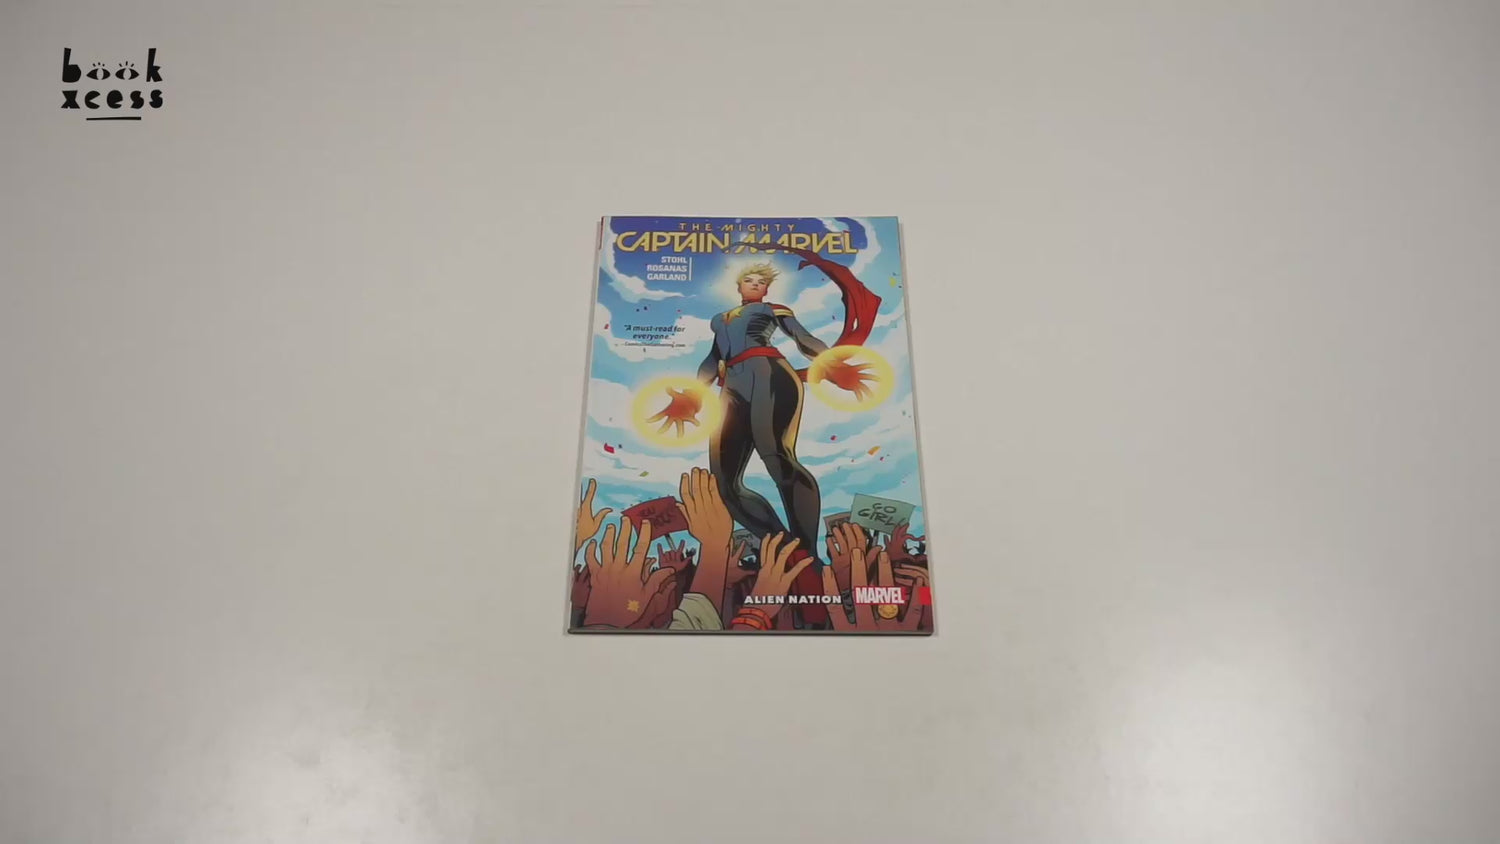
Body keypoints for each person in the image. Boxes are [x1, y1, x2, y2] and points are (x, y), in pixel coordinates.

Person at [648, 263, 875, 625]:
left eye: (761, 282)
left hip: (769, 374)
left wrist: (829, 364)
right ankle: (790, 553)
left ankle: (806, 555)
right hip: (732, 387)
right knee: (725, 484)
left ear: (766, 290)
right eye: (749, 280)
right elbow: (713, 359)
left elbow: (803, 339)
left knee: (777, 457)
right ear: (739, 285)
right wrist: (693, 394)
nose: (755, 285)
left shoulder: (772, 310)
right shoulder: (720, 320)